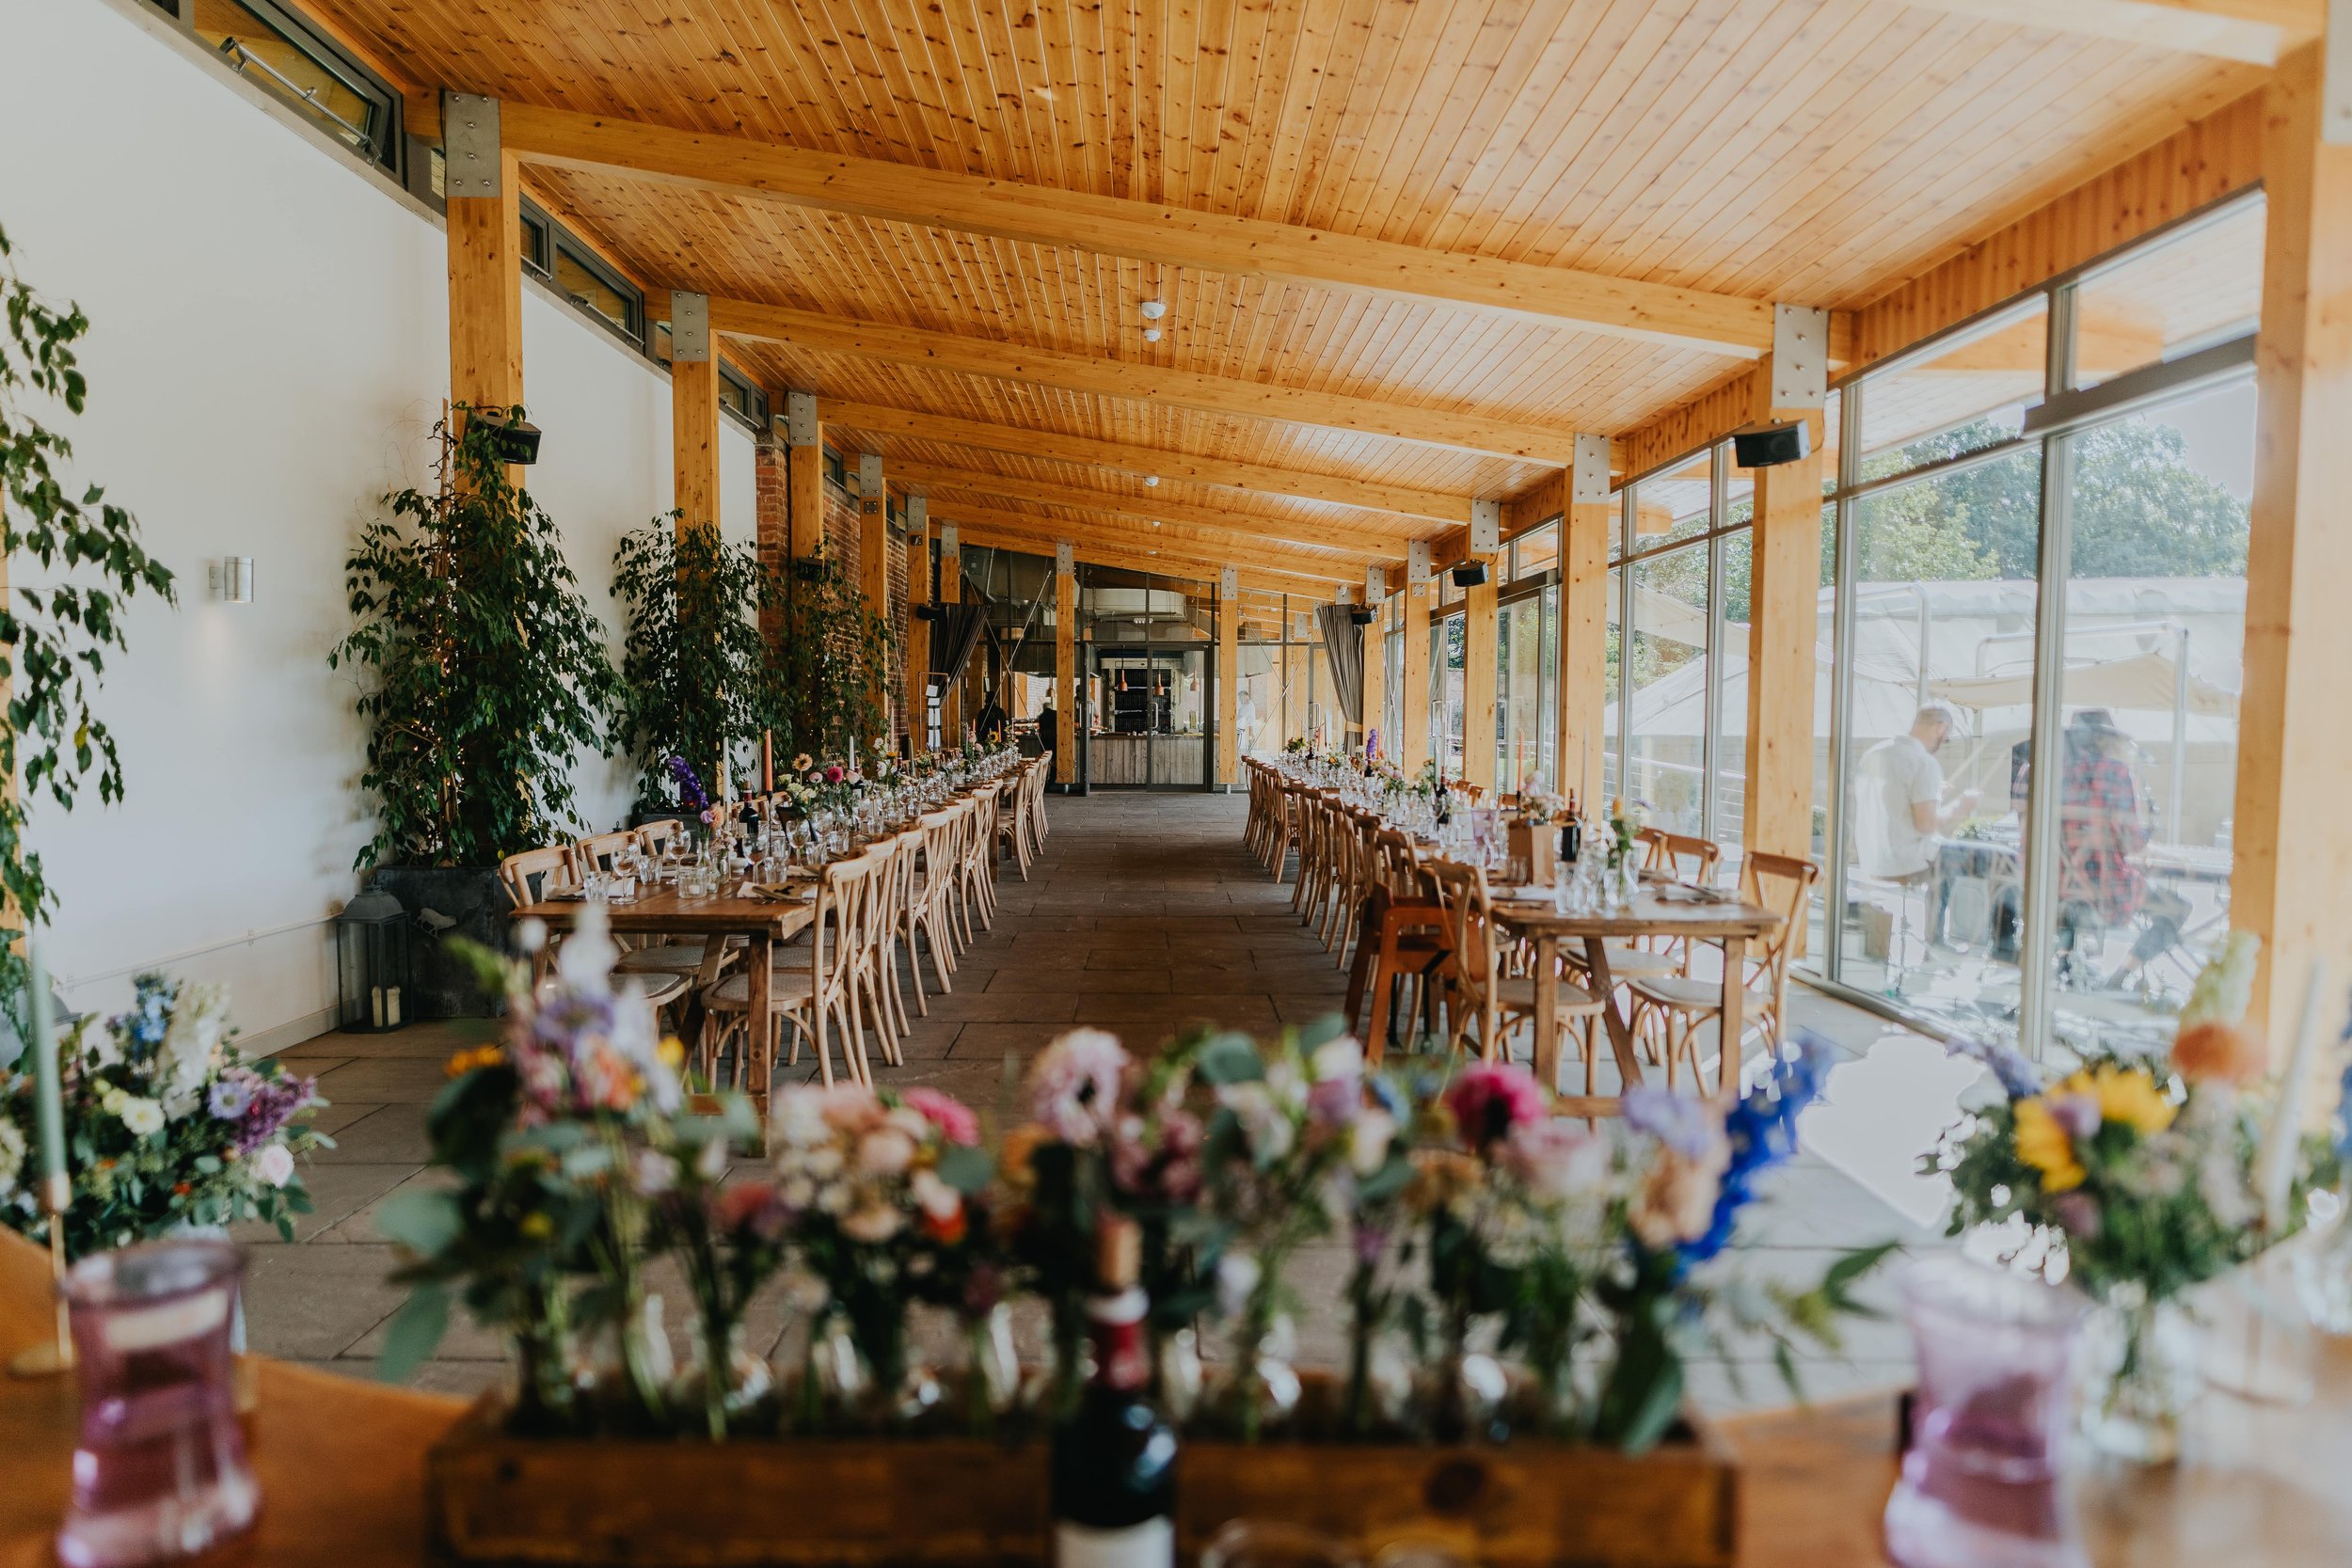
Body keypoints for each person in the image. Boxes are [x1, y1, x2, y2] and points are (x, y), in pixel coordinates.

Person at [1856, 703, 1979, 886]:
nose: (1943, 743)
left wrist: (1933, 795)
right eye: (1946, 739)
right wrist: (1961, 807)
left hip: (1872, 860)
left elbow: (1894, 804)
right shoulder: (1923, 762)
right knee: (1990, 859)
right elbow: (1927, 825)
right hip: (1909, 864)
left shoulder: (1874, 753)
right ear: (1940, 728)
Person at [1036, 698, 1058, 762]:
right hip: (1055, 739)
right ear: (1051, 707)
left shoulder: (1041, 716)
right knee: (1054, 757)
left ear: (1044, 708)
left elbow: (1040, 729)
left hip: (1045, 739)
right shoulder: (1056, 714)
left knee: (1045, 757)